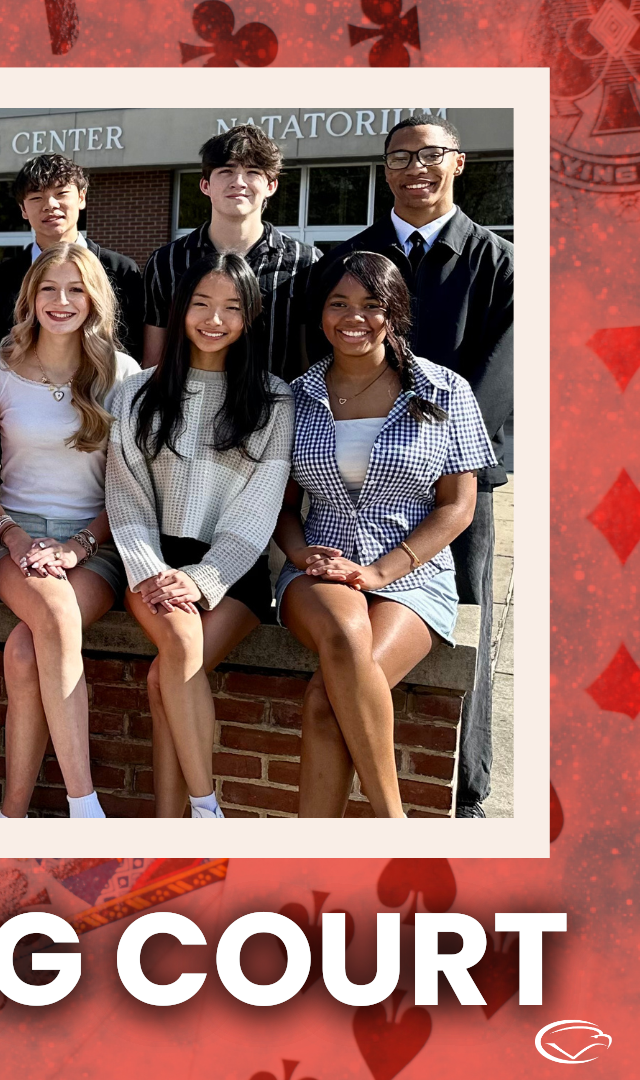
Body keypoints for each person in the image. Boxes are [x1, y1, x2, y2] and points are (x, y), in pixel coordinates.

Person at [315, 116, 513, 818]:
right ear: (386, 168)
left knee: (469, 622)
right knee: (340, 657)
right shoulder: (350, 257)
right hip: (341, 488)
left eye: (430, 155)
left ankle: (464, 786)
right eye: (400, 157)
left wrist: (437, 443)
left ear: (459, 163)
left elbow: (500, 371)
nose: (415, 168)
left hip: (453, 478)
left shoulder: (496, 260)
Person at [275, 252, 493, 818]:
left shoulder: (441, 389)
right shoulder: (292, 399)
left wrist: (380, 571)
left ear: (394, 312)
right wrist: (301, 554)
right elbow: (279, 503)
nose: (354, 317)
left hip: (414, 576)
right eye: (339, 304)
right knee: (346, 640)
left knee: (328, 703)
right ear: (320, 314)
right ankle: (396, 831)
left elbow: (458, 506)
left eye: (372, 305)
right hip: (318, 567)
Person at [105, 254, 292, 819]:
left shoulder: (273, 399)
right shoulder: (136, 393)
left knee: (168, 672)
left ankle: (178, 820)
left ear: (251, 317)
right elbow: (126, 498)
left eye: (232, 308)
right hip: (153, 563)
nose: (215, 319)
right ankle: (203, 812)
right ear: (180, 309)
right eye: (201, 304)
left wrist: (203, 578)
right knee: (178, 651)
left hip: (233, 571)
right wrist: (152, 569)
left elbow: (260, 510)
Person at [0, 243, 140, 818]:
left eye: (75, 289)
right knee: (52, 614)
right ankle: (83, 807)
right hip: (13, 539)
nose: (61, 301)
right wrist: (15, 538)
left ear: (94, 299)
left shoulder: (121, 374)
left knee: (25, 651)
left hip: (97, 541)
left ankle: (11, 819)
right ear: (30, 298)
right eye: (49, 289)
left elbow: (130, 491)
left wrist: (79, 546)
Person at [142, 125, 319, 378]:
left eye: (252, 172)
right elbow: (153, 360)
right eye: (226, 171)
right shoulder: (167, 262)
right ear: (205, 185)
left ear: (271, 186)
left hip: (275, 410)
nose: (238, 182)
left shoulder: (306, 263)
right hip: (185, 409)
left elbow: (309, 364)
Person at [0, 154, 143, 355]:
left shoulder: (121, 271)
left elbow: (135, 345)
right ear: (23, 209)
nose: (50, 204)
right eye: (36, 197)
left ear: (81, 197)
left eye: (61, 193)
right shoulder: (0, 280)